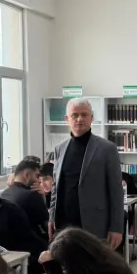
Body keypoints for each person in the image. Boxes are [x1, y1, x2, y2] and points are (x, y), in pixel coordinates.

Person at [49, 98, 124, 249]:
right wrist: (51, 216)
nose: (79, 119)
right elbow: (55, 188)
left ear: (91, 118)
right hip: (64, 224)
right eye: (75, 115)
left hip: (94, 225)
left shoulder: (107, 149)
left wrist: (116, 227)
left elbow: (116, 191)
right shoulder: (59, 149)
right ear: (67, 119)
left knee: (94, 264)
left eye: (84, 114)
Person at [1, 157, 49, 239]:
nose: (39, 181)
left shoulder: (3, 194)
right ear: (26, 175)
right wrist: (42, 197)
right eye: (37, 176)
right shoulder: (32, 195)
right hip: (31, 242)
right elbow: (48, 226)